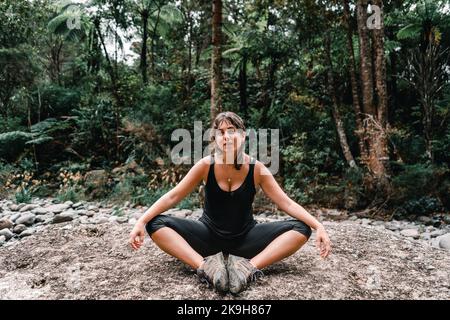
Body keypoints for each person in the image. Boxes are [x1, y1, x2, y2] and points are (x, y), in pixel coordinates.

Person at [129, 111, 331, 295]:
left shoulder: (256, 168)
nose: (226, 136)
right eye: (220, 132)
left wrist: (318, 225)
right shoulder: (205, 166)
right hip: (207, 237)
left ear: (243, 136)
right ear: (215, 139)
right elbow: (173, 197)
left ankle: (247, 268)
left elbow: (286, 203)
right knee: (155, 224)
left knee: (301, 228)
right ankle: (205, 267)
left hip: (245, 239)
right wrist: (141, 221)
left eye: (231, 131)